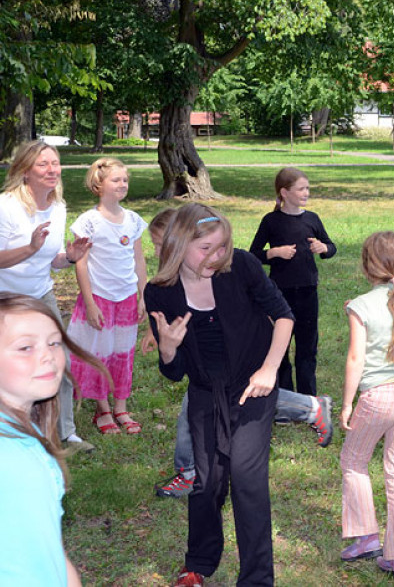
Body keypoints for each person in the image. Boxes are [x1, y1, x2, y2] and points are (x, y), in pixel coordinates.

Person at [145, 204, 293, 587]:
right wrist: (167, 348)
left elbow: (284, 315)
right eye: (206, 248)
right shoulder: (160, 292)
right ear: (178, 246)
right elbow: (174, 373)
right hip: (206, 393)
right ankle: (200, 562)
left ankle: (257, 579)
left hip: (252, 385)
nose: (217, 255)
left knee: (246, 478)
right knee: (208, 482)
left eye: (222, 245)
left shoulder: (241, 266)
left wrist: (269, 369)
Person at [144, 209, 333, 503]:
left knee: (241, 397)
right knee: (215, 402)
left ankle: (189, 471)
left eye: (159, 244)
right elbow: (171, 339)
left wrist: (267, 363)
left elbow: (280, 313)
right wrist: (163, 343)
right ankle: (192, 470)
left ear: (178, 242)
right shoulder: (165, 288)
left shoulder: (233, 269)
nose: (156, 251)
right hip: (207, 372)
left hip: (245, 356)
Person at [0, 292, 109, 586]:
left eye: (54, 342)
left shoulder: (29, 431)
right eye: (25, 347)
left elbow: (48, 544)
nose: (47, 355)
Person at [340, 232, 394, 582]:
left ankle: (366, 538)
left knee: (353, 461)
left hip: (377, 397)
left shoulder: (360, 306)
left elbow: (355, 357)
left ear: (366, 266)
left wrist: (347, 403)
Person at [0, 140, 92, 451]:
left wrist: (70, 256)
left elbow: (51, 261)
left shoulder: (58, 207)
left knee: (59, 360)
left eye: (55, 163)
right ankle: (13, 432)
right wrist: (29, 248)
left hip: (41, 294)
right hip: (6, 299)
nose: (52, 169)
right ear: (25, 171)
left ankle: (65, 433)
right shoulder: (6, 206)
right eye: (44, 164)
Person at [66, 158, 148, 436]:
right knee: (100, 353)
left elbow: (139, 259)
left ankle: (121, 406)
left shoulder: (134, 220)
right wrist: (89, 303)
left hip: (126, 298)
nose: (122, 185)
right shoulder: (88, 222)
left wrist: (143, 296)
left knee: (123, 353)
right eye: (116, 180)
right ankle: (102, 409)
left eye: (125, 180)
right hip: (99, 298)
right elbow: (81, 263)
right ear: (98, 185)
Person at [250, 167, 337, 396]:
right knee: (281, 348)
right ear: (284, 192)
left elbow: (331, 246)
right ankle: (286, 397)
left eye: (308, 188)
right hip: (280, 295)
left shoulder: (312, 219)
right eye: (301, 189)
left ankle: (308, 398)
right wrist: (274, 253)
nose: (306, 193)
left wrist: (323, 248)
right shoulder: (271, 221)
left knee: (307, 349)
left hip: (308, 292)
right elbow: (253, 254)